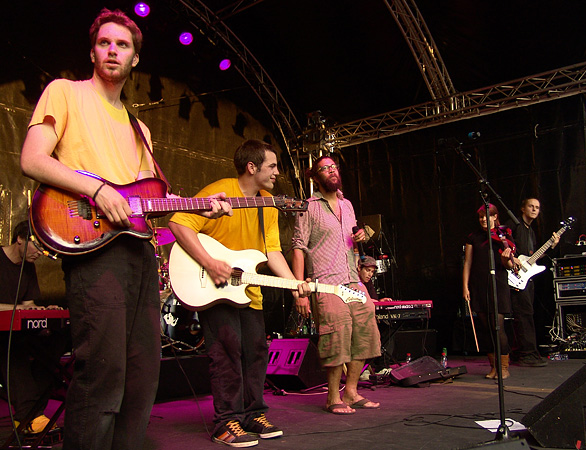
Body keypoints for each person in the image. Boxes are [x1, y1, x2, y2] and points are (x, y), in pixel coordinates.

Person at [19, 9, 229, 449]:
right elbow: (33, 160)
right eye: (105, 43)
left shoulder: (141, 130)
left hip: (138, 251)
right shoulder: (65, 92)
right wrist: (96, 189)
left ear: (135, 59)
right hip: (95, 250)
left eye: (123, 45)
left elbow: (143, 201)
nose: (113, 50)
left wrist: (198, 207)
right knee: (102, 371)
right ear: (93, 51)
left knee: (141, 375)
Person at [169, 139, 310, 448]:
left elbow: (272, 250)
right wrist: (209, 262)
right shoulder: (219, 190)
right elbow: (178, 223)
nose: (277, 172)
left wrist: (293, 284)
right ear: (252, 167)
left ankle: (252, 413)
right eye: (272, 166)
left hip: (249, 290)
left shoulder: (268, 202)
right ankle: (225, 422)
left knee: (257, 351)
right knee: (227, 352)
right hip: (213, 287)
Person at [291, 155, 381, 415]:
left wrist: (360, 235)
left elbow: (352, 239)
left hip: (352, 279)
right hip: (325, 283)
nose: (331, 171)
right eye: (324, 168)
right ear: (315, 177)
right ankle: (333, 397)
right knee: (337, 333)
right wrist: (299, 290)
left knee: (365, 327)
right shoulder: (308, 206)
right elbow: (298, 248)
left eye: (333, 167)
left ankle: (351, 392)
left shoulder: (347, 204)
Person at [0, 220, 67, 433]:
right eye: (37, 246)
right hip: (2, 334)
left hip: (17, 328)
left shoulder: (28, 268)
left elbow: (29, 306)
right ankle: (31, 415)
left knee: (56, 342)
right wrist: (19, 308)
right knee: (12, 347)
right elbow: (19, 307)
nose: (40, 253)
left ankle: (29, 415)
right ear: (20, 239)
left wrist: (45, 309)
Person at [462, 204, 519, 379]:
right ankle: (493, 366)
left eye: (487, 216)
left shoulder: (504, 235)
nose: (483, 220)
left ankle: (503, 367)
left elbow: (509, 265)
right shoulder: (473, 237)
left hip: (497, 284)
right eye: (481, 217)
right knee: (486, 329)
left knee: (498, 326)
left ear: (495, 217)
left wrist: (506, 260)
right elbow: (468, 263)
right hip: (479, 285)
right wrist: (465, 286)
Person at [505, 198, 559, 367]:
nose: (535, 209)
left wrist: (551, 245)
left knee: (526, 314)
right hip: (514, 274)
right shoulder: (514, 225)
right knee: (523, 314)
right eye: (531, 206)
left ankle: (521, 352)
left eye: (537, 207)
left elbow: (532, 258)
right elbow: (503, 243)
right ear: (523, 208)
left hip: (526, 277)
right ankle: (526, 354)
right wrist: (513, 259)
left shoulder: (531, 232)